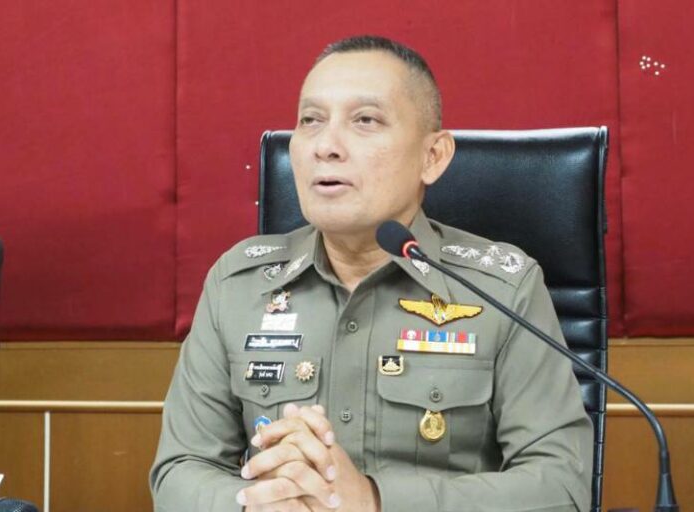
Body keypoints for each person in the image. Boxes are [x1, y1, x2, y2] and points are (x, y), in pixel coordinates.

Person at [150, 35, 593, 512]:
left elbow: (562, 486)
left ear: (433, 157)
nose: (326, 146)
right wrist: (259, 504)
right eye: (310, 120)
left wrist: (376, 501)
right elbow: (179, 471)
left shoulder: (502, 290)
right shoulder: (238, 285)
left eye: (365, 120)